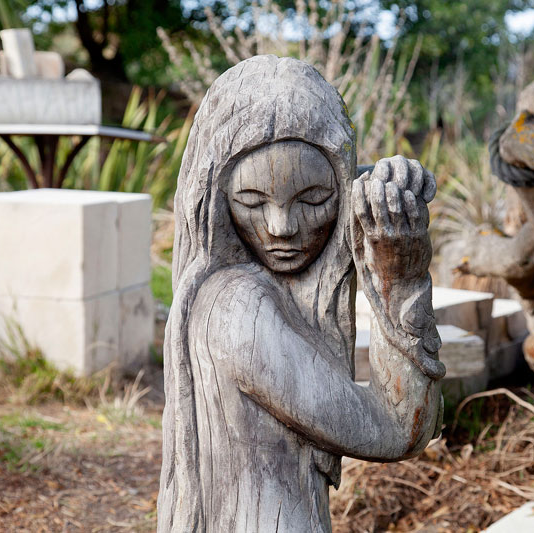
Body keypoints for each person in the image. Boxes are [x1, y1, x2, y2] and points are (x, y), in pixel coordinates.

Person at [158, 55, 444, 532]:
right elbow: (398, 430)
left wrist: (377, 200)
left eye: (314, 200)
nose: (282, 228)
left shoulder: (261, 291)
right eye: (252, 202)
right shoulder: (236, 309)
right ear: (214, 199)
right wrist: (401, 275)